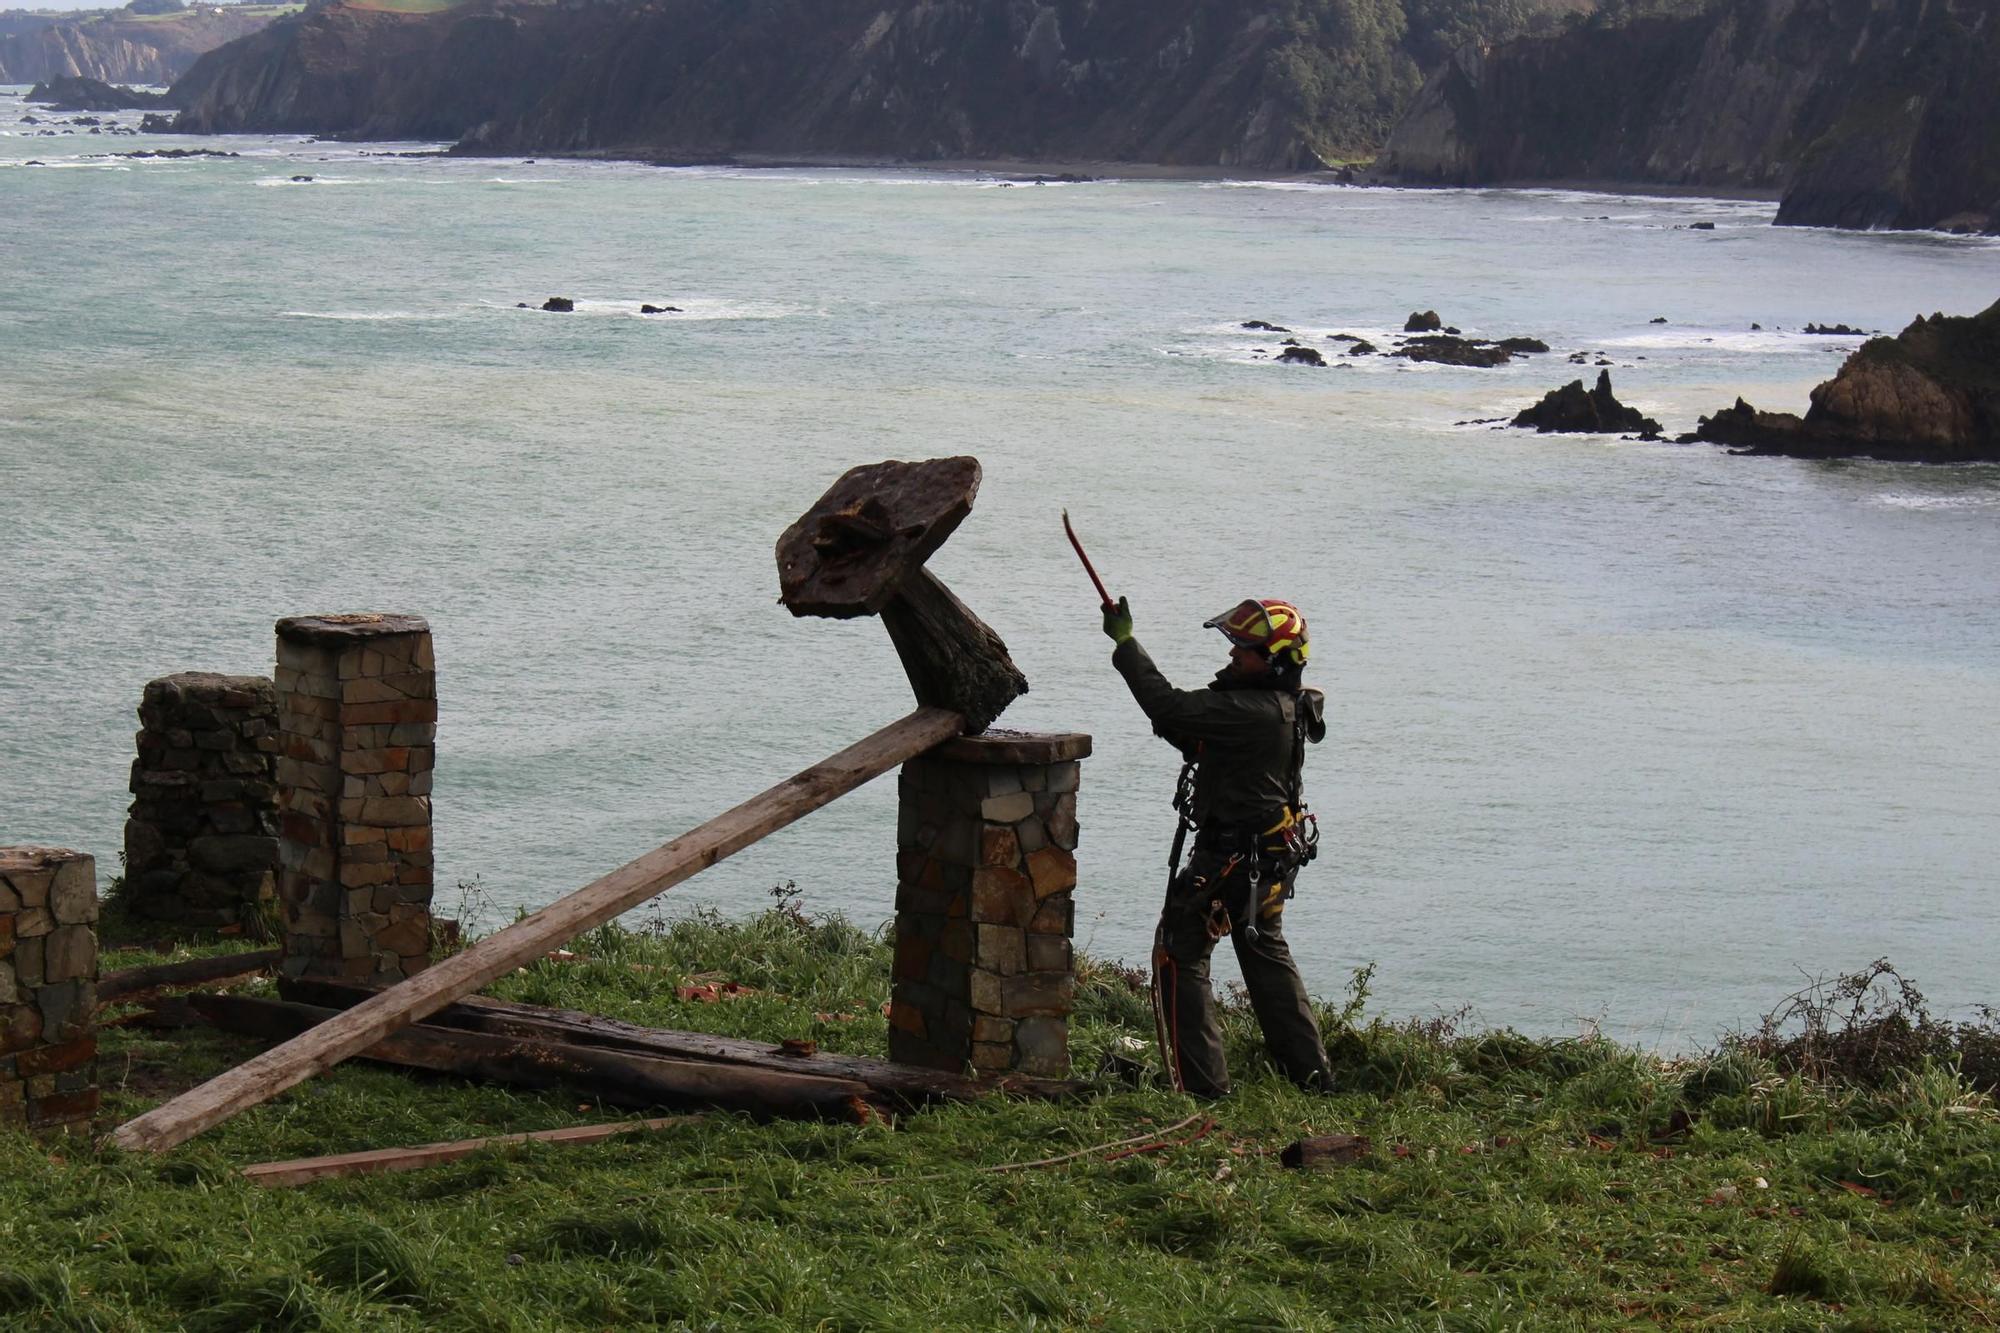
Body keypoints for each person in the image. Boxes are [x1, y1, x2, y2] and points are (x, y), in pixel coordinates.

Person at [1103, 594, 1333, 1097]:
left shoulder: (1248, 711)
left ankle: (1203, 1086)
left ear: (1271, 662)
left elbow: (1169, 707)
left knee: (1179, 953)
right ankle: (1312, 1077)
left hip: (1232, 857)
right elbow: (1193, 731)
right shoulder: (1288, 707)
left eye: (1243, 650)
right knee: (1264, 951)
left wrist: (1126, 644)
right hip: (1267, 855)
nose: (1231, 657)